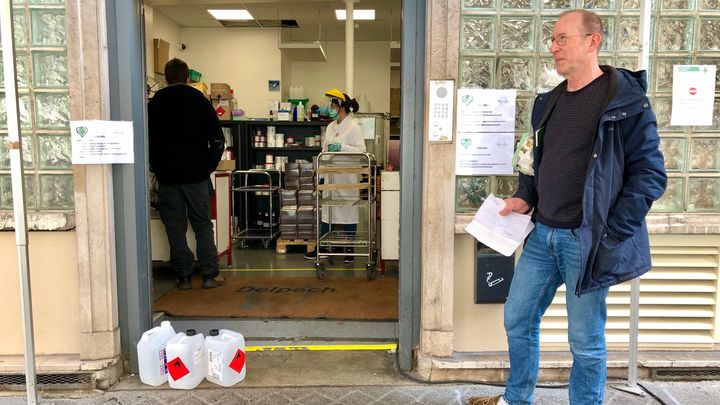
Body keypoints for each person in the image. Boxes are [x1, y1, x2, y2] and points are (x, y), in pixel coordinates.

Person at [469, 10, 667, 405]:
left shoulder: (626, 102)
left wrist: (610, 231)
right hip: (542, 235)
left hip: (588, 239)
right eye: (552, 39)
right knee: (518, 318)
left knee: (585, 340)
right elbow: (535, 161)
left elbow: (650, 175)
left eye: (562, 39)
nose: (553, 47)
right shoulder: (548, 103)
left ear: (592, 41)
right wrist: (525, 194)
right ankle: (516, 398)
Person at [147, 58, 226, 290]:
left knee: (175, 228)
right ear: (188, 77)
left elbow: (146, 139)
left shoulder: (155, 103)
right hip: (196, 176)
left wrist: (157, 167)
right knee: (202, 225)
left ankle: (183, 277)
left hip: (168, 178)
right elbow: (217, 138)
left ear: (166, 77)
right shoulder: (199, 101)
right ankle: (210, 274)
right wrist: (208, 166)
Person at [305, 88, 366, 263]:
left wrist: (342, 148)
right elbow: (324, 149)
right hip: (330, 176)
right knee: (327, 211)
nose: (329, 108)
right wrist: (321, 174)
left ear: (341, 107)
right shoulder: (331, 127)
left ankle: (349, 249)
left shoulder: (354, 127)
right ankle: (322, 248)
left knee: (348, 211)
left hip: (347, 177)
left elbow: (362, 152)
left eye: (332, 105)